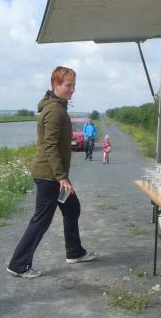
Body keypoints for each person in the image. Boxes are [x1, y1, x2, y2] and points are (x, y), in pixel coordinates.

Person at [7, 66, 97, 278]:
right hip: (49, 175)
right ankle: (18, 264)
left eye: (73, 85)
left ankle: (75, 252)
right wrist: (61, 177)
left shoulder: (57, 107)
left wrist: (61, 176)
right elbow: (50, 146)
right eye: (68, 85)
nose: (72, 89)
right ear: (55, 85)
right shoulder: (55, 111)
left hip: (53, 174)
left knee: (72, 208)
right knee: (41, 219)